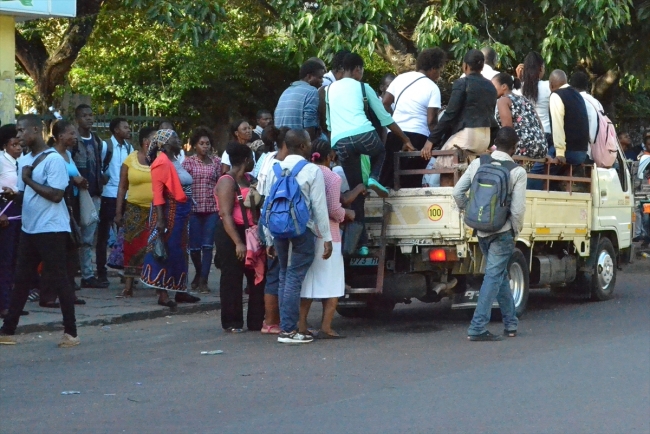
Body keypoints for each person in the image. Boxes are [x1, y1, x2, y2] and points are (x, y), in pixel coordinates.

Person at [0, 115, 79, 347]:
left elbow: (56, 195)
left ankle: (71, 333)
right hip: (30, 227)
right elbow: (27, 195)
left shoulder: (54, 160)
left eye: (22, 131)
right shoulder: (25, 159)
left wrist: (28, 180)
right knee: (22, 279)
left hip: (51, 228)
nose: (19, 136)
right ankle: (8, 330)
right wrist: (15, 195)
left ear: (36, 129)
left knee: (59, 279)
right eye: (17, 131)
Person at [326, 53, 413, 253]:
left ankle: (362, 243)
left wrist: (334, 149)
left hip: (340, 141)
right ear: (357, 69)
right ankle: (374, 178)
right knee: (381, 151)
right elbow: (384, 118)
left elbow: (329, 123)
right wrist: (405, 140)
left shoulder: (328, 89)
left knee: (358, 191)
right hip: (363, 135)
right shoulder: (363, 87)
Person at [452, 127, 526, 341]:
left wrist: (470, 211)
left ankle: (511, 323)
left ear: (494, 142)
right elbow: (518, 210)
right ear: (514, 147)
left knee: (500, 275)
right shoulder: (517, 172)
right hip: (502, 232)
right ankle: (477, 327)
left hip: (481, 231)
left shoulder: (477, 163)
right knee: (493, 277)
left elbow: (457, 192)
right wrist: (514, 229)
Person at [263, 129, 333, 344]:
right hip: (303, 229)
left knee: (284, 274)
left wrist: (268, 237)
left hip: (278, 229)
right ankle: (289, 330)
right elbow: (319, 207)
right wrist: (326, 237)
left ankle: (286, 327)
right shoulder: (312, 170)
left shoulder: (274, 168)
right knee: (294, 277)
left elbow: (267, 204)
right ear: (302, 146)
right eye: (309, 141)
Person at [298, 139, 353, 339]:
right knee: (333, 283)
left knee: (307, 283)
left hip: (305, 233)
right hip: (329, 235)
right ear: (330, 157)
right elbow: (332, 209)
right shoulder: (332, 177)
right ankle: (326, 326)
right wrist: (346, 213)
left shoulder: (305, 172)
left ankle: (302, 325)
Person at [140, 130, 199, 312]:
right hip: (169, 212)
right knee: (165, 249)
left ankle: (180, 289)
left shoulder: (175, 161)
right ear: (165, 144)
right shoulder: (161, 162)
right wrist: (160, 219)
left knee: (181, 250)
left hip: (182, 211)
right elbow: (158, 193)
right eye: (174, 138)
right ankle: (163, 293)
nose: (179, 139)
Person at [214, 143, 265, 332]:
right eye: (252, 158)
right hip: (231, 233)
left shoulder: (249, 179)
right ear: (245, 160)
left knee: (257, 277)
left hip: (251, 231)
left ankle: (256, 320)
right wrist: (238, 242)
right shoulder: (227, 181)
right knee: (232, 278)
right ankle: (232, 321)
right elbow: (225, 214)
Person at [421, 49, 498, 174]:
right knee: (464, 172)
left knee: (445, 167)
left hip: (468, 136)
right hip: (485, 138)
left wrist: (431, 140)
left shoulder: (462, 83)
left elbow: (450, 114)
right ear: (482, 66)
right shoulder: (491, 86)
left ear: (465, 65)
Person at [380, 47, 447, 188]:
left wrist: (393, 122)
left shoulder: (400, 78)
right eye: (439, 70)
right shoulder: (432, 88)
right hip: (418, 137)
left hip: (395, 134)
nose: (439, 75)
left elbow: (385, 103)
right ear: (434, 68)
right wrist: (437, 141)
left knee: (387, 180)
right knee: (411, 182)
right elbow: (431, 121)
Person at [255, 126, 290, 334]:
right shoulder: (282, 165)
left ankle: (272, 321)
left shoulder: (267, 159)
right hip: (275, 223)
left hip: (266, 219)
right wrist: (268, 238)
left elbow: (260, 193)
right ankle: (271, 321)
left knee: (276, 271)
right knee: (276, 273)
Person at [114, 126, 156, 298]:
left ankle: (156, 283)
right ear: (146, 141)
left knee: (154, 247)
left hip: (156, 210)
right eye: (155, 139)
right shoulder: (130, 160)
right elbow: (122, 187)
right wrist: (118, 212)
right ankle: (129, 285)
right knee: (132, 246)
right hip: (134, 209)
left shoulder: (160, 159)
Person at [48, 120, 87, 307]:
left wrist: (82, 181)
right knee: (57, 253)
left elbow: (75, 176)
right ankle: (50, 294)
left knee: (71, 252)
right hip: (56, 207)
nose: (75, 137)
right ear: (60, 136)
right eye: (71, 133)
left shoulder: (68, 155)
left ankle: (68, 293)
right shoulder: (51, 156)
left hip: (70, 206)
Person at [72, 104, 108, 289]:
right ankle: (73, 274)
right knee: (74, 236)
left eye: (91, 115)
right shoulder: (73, 140)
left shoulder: (96, 140)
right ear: (77, 119)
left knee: (88, 237)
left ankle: (87, 274)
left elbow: (100, 164)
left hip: (93, 193)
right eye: (84, 115)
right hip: (76, 195)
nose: (89, 118)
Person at [182, 127, 221, 294]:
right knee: (195, 247)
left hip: (211, 208)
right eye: (201, 143)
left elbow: (220, 183)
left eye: (207, 143)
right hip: (194, 208)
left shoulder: (217, 162)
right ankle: (198, 272)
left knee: (207, 246)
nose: (205, 146)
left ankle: (204, 279)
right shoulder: (188, 163)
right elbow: (184, 184)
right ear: (195, 145)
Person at [96, 118, 133, 285]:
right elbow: (98, 165)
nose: (129, 129)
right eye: (125, 127)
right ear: (116, 130)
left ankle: (126, 270)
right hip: (108, 193)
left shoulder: (128, 147)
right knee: (103, 235)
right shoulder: (106, 146)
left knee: (125, 234)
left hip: (125, 195)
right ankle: (101, 271)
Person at [492, 72, 547, 159]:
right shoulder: (524, 99)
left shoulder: (503, 101)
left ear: (504, 87)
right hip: (541, 146)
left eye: (493, 86)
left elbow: (507, 129)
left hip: (521, 147)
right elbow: (539, 124)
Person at [0, 124, 23, 319]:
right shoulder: (0, 160)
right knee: (5, 260)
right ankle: (4, 304)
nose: (19, 147)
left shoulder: (21, 161)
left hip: (18, 211)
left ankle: (14, 302)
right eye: (15, 143)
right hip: (4, 212)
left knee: (16, 259)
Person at [275, 59, 325, 140]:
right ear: (309, 77)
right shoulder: (311, 91)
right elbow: (309, 124)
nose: (322, 81)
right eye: (320, 77)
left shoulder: (286, 91)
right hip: (296, 143)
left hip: (281, 143)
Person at [516, 52, 552, 145]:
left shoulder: (518, 89)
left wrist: (519, 80)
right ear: (541, 68)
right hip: (545, 132)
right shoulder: (548, 86)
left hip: (525, 134)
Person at [569, 71, 603, 156]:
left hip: (584, 152)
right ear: (586, 86)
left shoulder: (576, 101)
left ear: (571, 86)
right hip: (599, 151)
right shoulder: (596, 103)